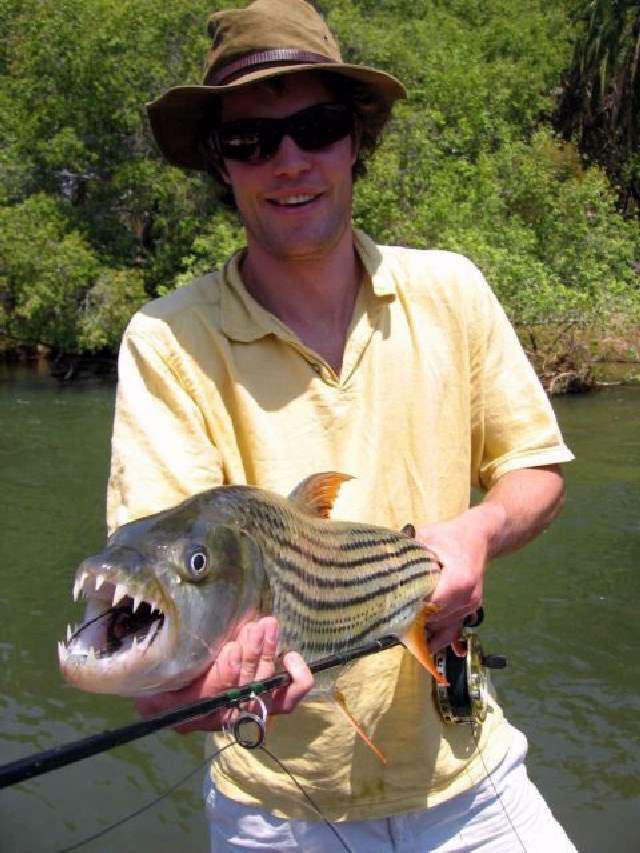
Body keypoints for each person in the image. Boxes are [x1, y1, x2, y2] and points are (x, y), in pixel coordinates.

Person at [108, 0, 578, 849]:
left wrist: (477, 531)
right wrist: (187, 683)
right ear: (221, 161)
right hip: (274, 806)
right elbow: (170, 582)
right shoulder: (167, 340)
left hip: (470, 771)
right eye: (252, 139)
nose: (289, 161)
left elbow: (537, 471)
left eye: (317, 126)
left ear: (357, 140)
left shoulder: (453, 290)